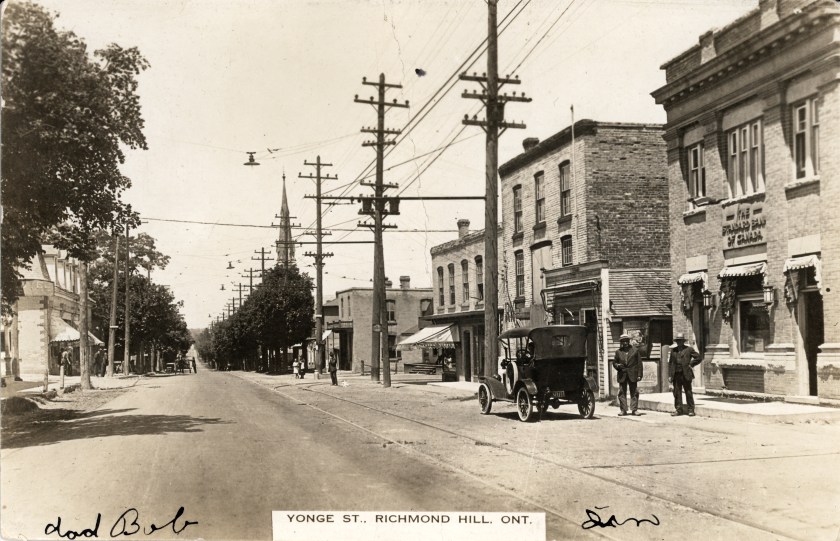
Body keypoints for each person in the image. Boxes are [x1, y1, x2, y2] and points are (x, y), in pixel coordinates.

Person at [669, 332, 702, 416]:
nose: (679, 342)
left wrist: (691, 364)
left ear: (683, 341)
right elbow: (671, 363)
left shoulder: (689, 349)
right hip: (676, 374)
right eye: (678, 341)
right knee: (677, 393)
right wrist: (670, 375)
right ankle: (678, 410)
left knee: (688, 392)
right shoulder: (673, 350)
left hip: (686, 374)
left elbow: (698, 357)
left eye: (680, 341)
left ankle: (691, 410)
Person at [613, 334, 643, 416]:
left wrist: (639, 374)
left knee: (634, 392)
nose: (625, 342)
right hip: (622, 374)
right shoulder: (618, 352)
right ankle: (623, 410)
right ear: (621, 342)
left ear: (629, 341)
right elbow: (614, 362)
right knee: (622, 392)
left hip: (633, 374)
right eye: (623, 341)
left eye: (626, 340)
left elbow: (639, 363)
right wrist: (617, 366)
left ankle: (634, 410)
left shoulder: (635, 350)